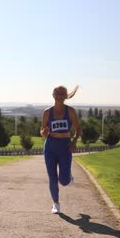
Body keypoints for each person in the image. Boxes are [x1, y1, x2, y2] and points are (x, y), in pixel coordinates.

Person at [40, 85, 81, 214]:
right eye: (57, 93)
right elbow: (42, 130)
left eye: (62, 93)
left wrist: (74, 141)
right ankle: (56, 203)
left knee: (63, 181)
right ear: (53, 95)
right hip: (50, 146)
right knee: (52, 177)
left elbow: (78, 128)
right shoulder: (47, 112)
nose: (59, 95)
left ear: (65, 96)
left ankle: (68, 176)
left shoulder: (70, 111)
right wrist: (44, 132)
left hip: (65, 146)